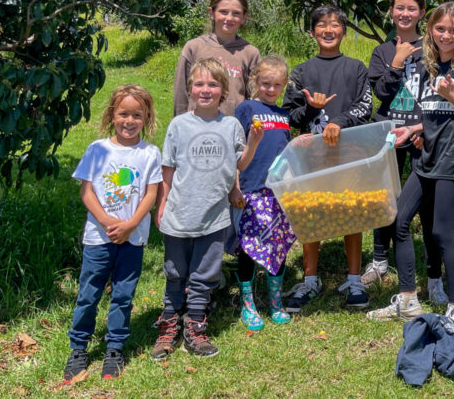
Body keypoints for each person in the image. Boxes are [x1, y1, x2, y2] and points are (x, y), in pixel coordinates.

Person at [367, 2, 454, 330]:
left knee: (441, 232)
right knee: (399, 220)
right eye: (440, 28)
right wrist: (413, 129)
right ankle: (408, 299)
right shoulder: (429, 66)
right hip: (425, 157)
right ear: (430, 29)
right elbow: (433, 114)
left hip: (453, 159)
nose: (446, 35)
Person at [63, 85, 162, 383]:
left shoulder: (150, 153)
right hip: (98, 237)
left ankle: (115, 348)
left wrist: (130, 225)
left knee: (123, 294)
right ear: (111, 115)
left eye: (137, 115)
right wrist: (108, 222)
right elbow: (87, 192)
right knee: (88, 294)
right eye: (123, 114)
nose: (129, 121)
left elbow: (151, 194)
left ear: (146, 118)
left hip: (133, 238)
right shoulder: (98, 149)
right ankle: (78, 348)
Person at [153, 58, 249, 360]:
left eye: (213, 84)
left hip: (214, 215)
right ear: (190, 89)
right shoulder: (179, 125)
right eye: (199, 84)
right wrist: (161, 204)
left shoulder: (231, 125)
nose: (205, 89)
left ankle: (195, 326)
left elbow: (237, 164)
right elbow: (167, 169)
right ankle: (169, 325)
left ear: (223, 90)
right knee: (175, 272)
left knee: (204, 274)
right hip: (179, 214)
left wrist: (235, 186)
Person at [282, 5, 373, 311]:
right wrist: (312, 109)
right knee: (311, 212)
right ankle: (310, 280)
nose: (328, 30)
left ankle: (354, 280)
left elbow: (364, 107)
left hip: (349, 152)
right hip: (312, 156)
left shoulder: (356, 68)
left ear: (344, 32)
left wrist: (338, 122)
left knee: (351, 211)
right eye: (321, 25)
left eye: (335, 25)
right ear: (312, 33)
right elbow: (290, 116)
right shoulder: (301, 72)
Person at [361, 0, 441, 305]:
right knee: (384, 196)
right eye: (399, 8)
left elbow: (438, 92)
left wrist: (425, 127)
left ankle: (433, 269)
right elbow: (381, 92)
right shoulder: (382, 51)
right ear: (391, 11)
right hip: (388, 131)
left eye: (411, 9)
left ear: (421, 13)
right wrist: (396, 61)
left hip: (420, 132)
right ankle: (380, 259)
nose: (404, 14)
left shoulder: (433, 47)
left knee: (427, 200)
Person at [232, 56, 298, 330]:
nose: (271, 89)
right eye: (266, 83)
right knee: (248, 247)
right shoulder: (246, 108)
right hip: (251, 188)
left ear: (284, 85)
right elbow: (235, 150)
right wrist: (235, 186)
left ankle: (275, 302)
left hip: (278, 192)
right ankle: (248, 305)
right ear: (255, 81)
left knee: (278, 246)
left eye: (277, 85)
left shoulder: (284, 115)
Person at [172, 0, 260, 117]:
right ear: (212, 13)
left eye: (236, 13)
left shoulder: (250, 53)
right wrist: (180, 122)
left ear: (244, 17)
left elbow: (255, 97)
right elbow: (181, 93)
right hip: (197, 124)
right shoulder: (194, 47)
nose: (229, 18)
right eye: (223, 12)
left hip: (235, 125)